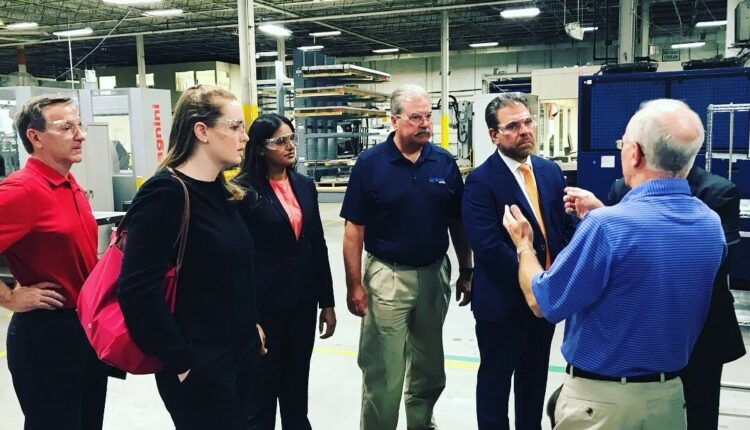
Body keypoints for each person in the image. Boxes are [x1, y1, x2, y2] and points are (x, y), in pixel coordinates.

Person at [502, 98, 726, 429]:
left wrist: (523, 244)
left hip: (602, 405)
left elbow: (542, 301)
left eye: (623, 144)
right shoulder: (710, 224)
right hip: (668, 400)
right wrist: (603, 216)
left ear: (635, 154)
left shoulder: (607, 227)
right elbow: (650, 257)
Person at [117, 85, 266, 430]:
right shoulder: (166, 193)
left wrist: (251, 325)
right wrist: (180, 360)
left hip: (238, 354)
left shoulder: (223, 192)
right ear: (202, 131)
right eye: (235, 127)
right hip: (201, 364)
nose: (244, 137)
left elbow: (235, 274)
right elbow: (137, 290)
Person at [341, 84, 473, 430]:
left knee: (429, 366)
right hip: (388, 274)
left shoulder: (443, 162)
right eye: (415, 117)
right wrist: (354, 285)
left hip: (434, 274)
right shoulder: (370, 164)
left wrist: (466, 269)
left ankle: (421, 423)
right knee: (384, 368)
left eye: (428, 116)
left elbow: (457, 222)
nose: (425, 124)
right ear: (394, 120)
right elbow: (354, 230)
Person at [461, 93, 576, 430]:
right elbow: (488, 247)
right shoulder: (481, 182)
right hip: (503, 304)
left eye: (527, 122)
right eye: (512, 126)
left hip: (544, 303)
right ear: (494, 135)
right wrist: (534, 278)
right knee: (495, 383)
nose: (525, 130)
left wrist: (557, 276)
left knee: (534, 379)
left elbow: (564, 227)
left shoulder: (550, 171)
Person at [606, 165, 746, 429]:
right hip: (640, 332)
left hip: (700, 333)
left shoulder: (717, 192)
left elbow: (714, 262)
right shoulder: (622, 188)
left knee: (699, 414)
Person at [0, 95, 109, 429]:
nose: (80, 135)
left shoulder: (69, 184)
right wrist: (9, 297)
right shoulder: (21, 190)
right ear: (35, 137)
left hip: (84, 329)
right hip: (47, 334)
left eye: (80, 125)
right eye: (66, 127)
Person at [234, 113, 336, 429]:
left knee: (296, 391)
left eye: (292, 138)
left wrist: (327, 302)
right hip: (264, 309)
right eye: (281, 141)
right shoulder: (242, 191)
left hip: (302, 305)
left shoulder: (304, 186)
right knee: (260, 398)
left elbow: (317, 244)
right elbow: (238, 261)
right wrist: (248, 317)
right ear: (259, 148)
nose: (290, 146)